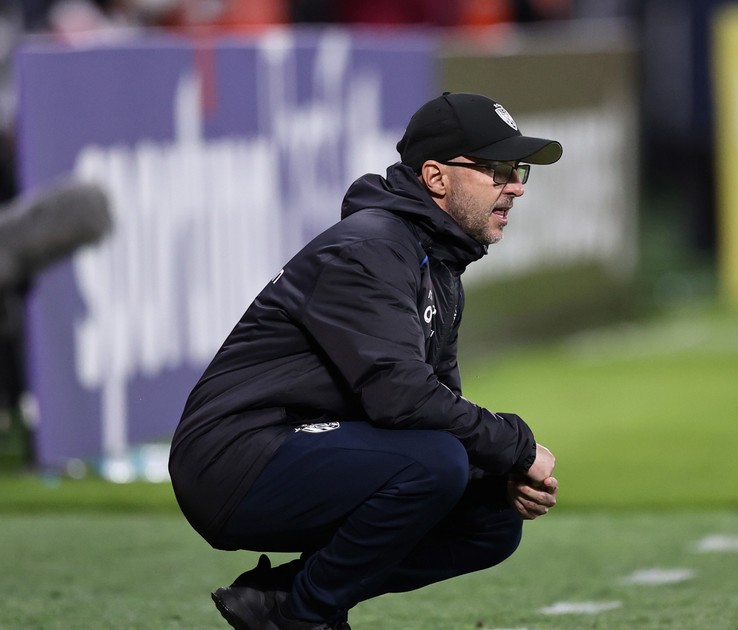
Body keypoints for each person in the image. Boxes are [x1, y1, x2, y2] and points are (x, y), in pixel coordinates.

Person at [168, 92, 563, 630]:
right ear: (436, 177)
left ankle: (284, 601)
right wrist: (515, 446)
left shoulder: (435, 262)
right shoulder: (370, 247)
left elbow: (437, 405)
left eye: (517, 171)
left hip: (296, 445)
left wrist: (499, 472)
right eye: (497, 170)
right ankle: (305, 617)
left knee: (490, 518)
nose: (515, 186)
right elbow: (402, 397)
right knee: (436, 463)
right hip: (234, 459)